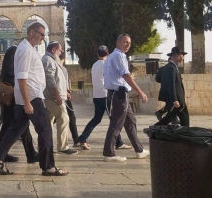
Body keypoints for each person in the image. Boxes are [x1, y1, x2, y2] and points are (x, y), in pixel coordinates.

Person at [0, 22, 68, 176]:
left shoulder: (27, 49)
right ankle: (48, 166)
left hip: (28, 96)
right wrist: (27, 102)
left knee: (16, 128)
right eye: (41, 34)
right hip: (31, 97)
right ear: (32, 32)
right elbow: (22, 77)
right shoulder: (25, 50)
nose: (42, 38)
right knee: (45, 129)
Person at [102, 34, 150, 163]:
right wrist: (140, 92)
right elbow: (126, 75)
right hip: (119, 94)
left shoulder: (111, 56)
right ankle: (109, 153)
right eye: (125, 42)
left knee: (130, 121)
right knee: (116, 123)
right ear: (118, 42)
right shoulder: (118, 56)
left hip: (119, 94)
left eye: (129, 42)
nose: (128, 45)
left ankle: (139, 150)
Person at [77, 46, 129, 150]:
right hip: (105, 95)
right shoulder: (106, 64)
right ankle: (118, 143)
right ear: (108, 53)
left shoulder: (94, 65)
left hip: (96, 95)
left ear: (97, 54)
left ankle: (82, 138)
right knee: (114, 119)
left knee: (97, 119)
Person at [0, 44, 39, 163]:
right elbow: (11, 73)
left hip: (14, 96)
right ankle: (2, 153)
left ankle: (30, 153)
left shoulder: (15, 51)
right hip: (12, 97)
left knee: (21, 125)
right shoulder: (15, 51)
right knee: (12, 124)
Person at [42, 41, 77, 155]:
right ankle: (62, 146)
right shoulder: (48, 60)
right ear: (53, 50)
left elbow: (58, 78)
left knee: (48, 122)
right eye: (59, 50)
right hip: (53, 97)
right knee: (64, 118)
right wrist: (57, 94)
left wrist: (64, 92)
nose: (61, 52)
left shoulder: (53, 61)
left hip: (55, 96)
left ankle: (46, 145)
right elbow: (50, 78)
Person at [154, 47, 190, 127]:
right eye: (180, 57)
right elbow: (171, 85)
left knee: (184, 118)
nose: (182, 59)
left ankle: (185, 134)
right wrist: (174, 100)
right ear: (175, 56)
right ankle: (154, 129)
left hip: (179, 99)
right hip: (177, 99)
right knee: (168, 118)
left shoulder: (173, 67)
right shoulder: (171, 68)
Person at [58, 51, 80, 148]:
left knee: (60, 117)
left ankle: (76, 139)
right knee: (70, 117)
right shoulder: (62, 69)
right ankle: (76, 140)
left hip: (59, 95)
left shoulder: (57, 67)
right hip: (63, 96)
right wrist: (67, 92)